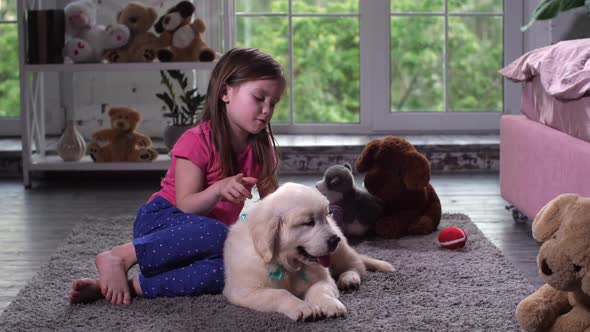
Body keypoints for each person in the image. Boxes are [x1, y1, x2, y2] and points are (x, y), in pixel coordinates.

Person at [69, 48, 285, 305]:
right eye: (259, 98)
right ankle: (121, 256)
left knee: (232, 270)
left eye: (273, 103)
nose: (266, 110)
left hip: (206, 243)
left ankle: (129, 286)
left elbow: (273, 207)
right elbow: (186, 205)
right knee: (221, 236)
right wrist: (218, 189)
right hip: (163, 224)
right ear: (226, 92)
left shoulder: (263, 150)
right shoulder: (196, 140)